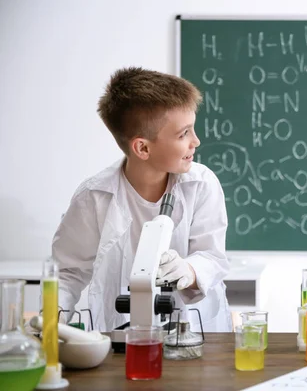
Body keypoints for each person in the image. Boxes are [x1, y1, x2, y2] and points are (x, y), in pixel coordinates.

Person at [52, 67, 232, 332]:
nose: (196, 141)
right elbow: (69, 274)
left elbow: (213, 257)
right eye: (184, 134)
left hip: (197, 330)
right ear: (143, 148)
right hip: (120, 334)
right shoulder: (94, 197)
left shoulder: (201, 184)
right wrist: (49, 322)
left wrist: (189, 270)